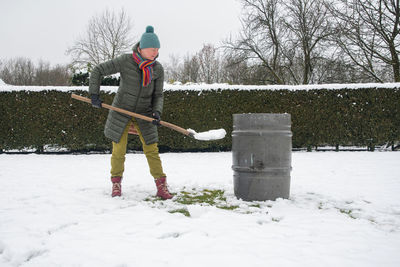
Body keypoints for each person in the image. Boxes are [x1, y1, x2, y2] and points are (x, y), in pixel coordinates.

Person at [88, 25, 172, 199]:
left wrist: (157, 112)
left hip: (145, 114)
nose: (155, 52)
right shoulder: (126, 61)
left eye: (157, 49)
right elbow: (98, 70)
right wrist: (94, 94)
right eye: (152, 49)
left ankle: (161, 185)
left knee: (152, 150)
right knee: (119, 150)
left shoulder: (158, 69)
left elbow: (158, 94)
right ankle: (116, 183)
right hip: (121, 112)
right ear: (141, 48)